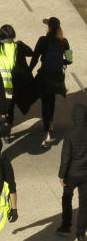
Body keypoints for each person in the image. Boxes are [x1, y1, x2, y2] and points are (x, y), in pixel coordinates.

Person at [30, 16, 72, 146]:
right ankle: (51, 123)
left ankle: (47, 133)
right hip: (57, 77)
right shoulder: (64, 41)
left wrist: (28, 70)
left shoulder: (43, 40)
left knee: (45, 103)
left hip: (45, 76)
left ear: (49, 27)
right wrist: (61, 62)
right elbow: (70, 60)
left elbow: (35, 57)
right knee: (51, 101)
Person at [59, 105, 87, 241]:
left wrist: (61, 174)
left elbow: (66, 157)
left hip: (72, 173)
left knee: (67, 197)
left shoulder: (70, 133)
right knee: (84, 203)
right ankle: (81, 234)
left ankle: (66, 226)